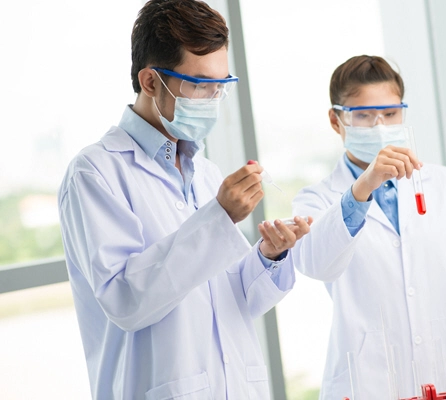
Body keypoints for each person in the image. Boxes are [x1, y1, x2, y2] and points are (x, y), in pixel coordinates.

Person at [57, 1, 313, 398]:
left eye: (220, 85)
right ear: (151, 81)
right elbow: (126, 301)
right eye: (199, 84)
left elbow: (232, 299)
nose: (212, 97)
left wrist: (268, 255)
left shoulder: (206, 173)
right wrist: (218, 217)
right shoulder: (95, 172)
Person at [291, 55, 446, 399]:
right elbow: (317, 264)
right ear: (335, 120)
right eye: (363, 116)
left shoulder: (444, 185)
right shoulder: (317, 200)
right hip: (369, 385)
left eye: (390, 114)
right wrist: (362, 188)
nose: (380, 126)